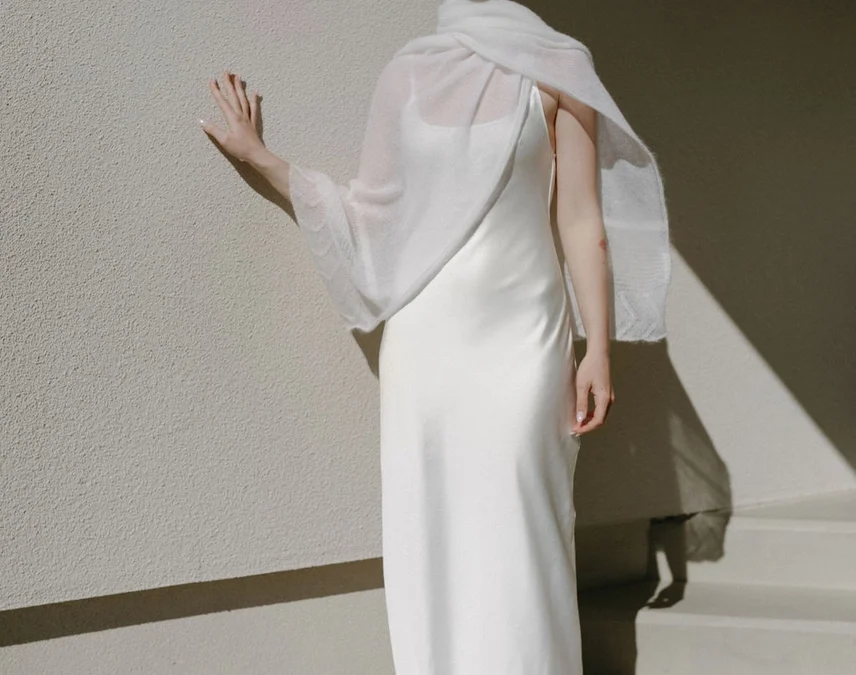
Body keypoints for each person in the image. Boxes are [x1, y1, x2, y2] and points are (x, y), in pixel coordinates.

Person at [201, 2, 670, 672]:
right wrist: (263, 159)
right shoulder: (408, 71)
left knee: (521, 523)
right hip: (425, 343)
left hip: (525, 337)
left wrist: (598, 346)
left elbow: (579, 217)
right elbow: (375, 215)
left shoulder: (559, 64)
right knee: (431, 526)